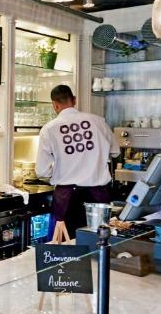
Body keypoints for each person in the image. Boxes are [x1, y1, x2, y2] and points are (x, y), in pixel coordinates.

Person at [35, 84, 119, 238]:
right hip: (98, 196)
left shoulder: (49, 129)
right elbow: (115, 152)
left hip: (66, 198)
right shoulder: (99, 122)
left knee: (65, 247)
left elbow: (41, 171)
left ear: (54, 105)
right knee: (99, 243)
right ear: (74, 100)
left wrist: (60, 169)